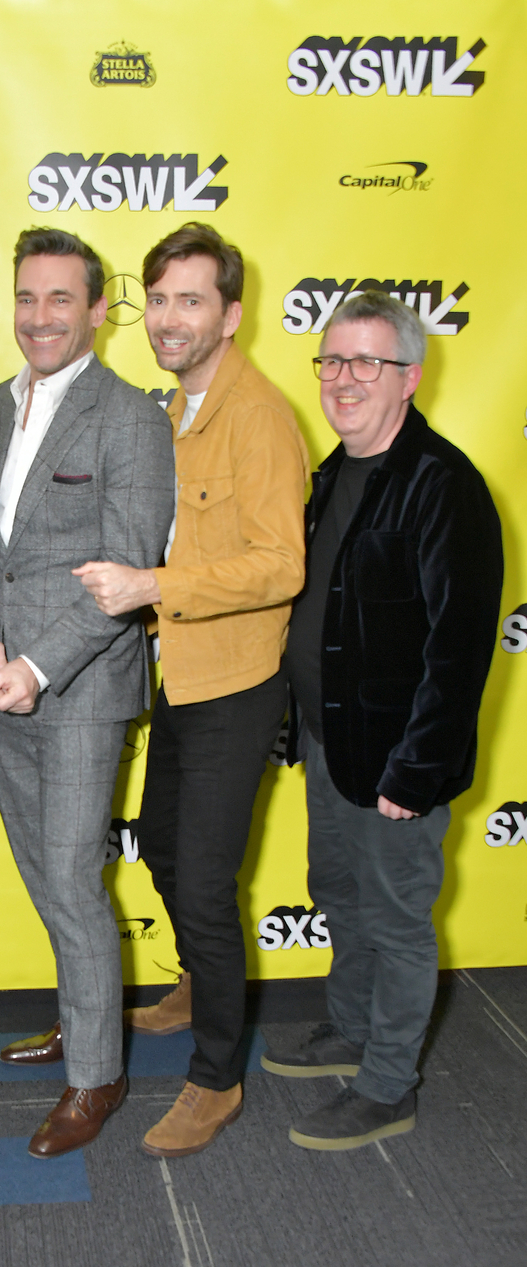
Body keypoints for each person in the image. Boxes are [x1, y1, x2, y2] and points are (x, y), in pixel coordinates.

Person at [75, 222, 308, 1157]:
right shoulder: (171, 407)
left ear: (231, 313)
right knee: (166, 851)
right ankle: (199, 990)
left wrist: (151, 588)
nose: (169, 320)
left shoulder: (257, 414)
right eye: (160, 300)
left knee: (206, 884)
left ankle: (217, 1078)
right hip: (180, 675)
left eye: (191, 301)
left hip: (237, 681)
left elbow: (279, 565)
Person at [0, 227, 175, 1157]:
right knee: (45, 875)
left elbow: (129, 570)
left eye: (59, 301)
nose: (40, 318)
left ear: (95, 310)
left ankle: (96, 1078)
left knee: (74, 879)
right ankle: (89, 1025)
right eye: (27, 299)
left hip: (77, 687)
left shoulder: (131, 418)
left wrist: (36, 668)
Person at [262, 290, 503, 1149]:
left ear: (410, 376)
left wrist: (418, 769)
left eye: (367, 362)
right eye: (332, 361)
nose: (343, 379)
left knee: (397, 916)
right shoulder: (333, 474)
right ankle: (353, 1028)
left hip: (398, 759)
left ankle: (388, 1084)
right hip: (332, 745)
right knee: (341, 891)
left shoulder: (445, 486)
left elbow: (460, 648)